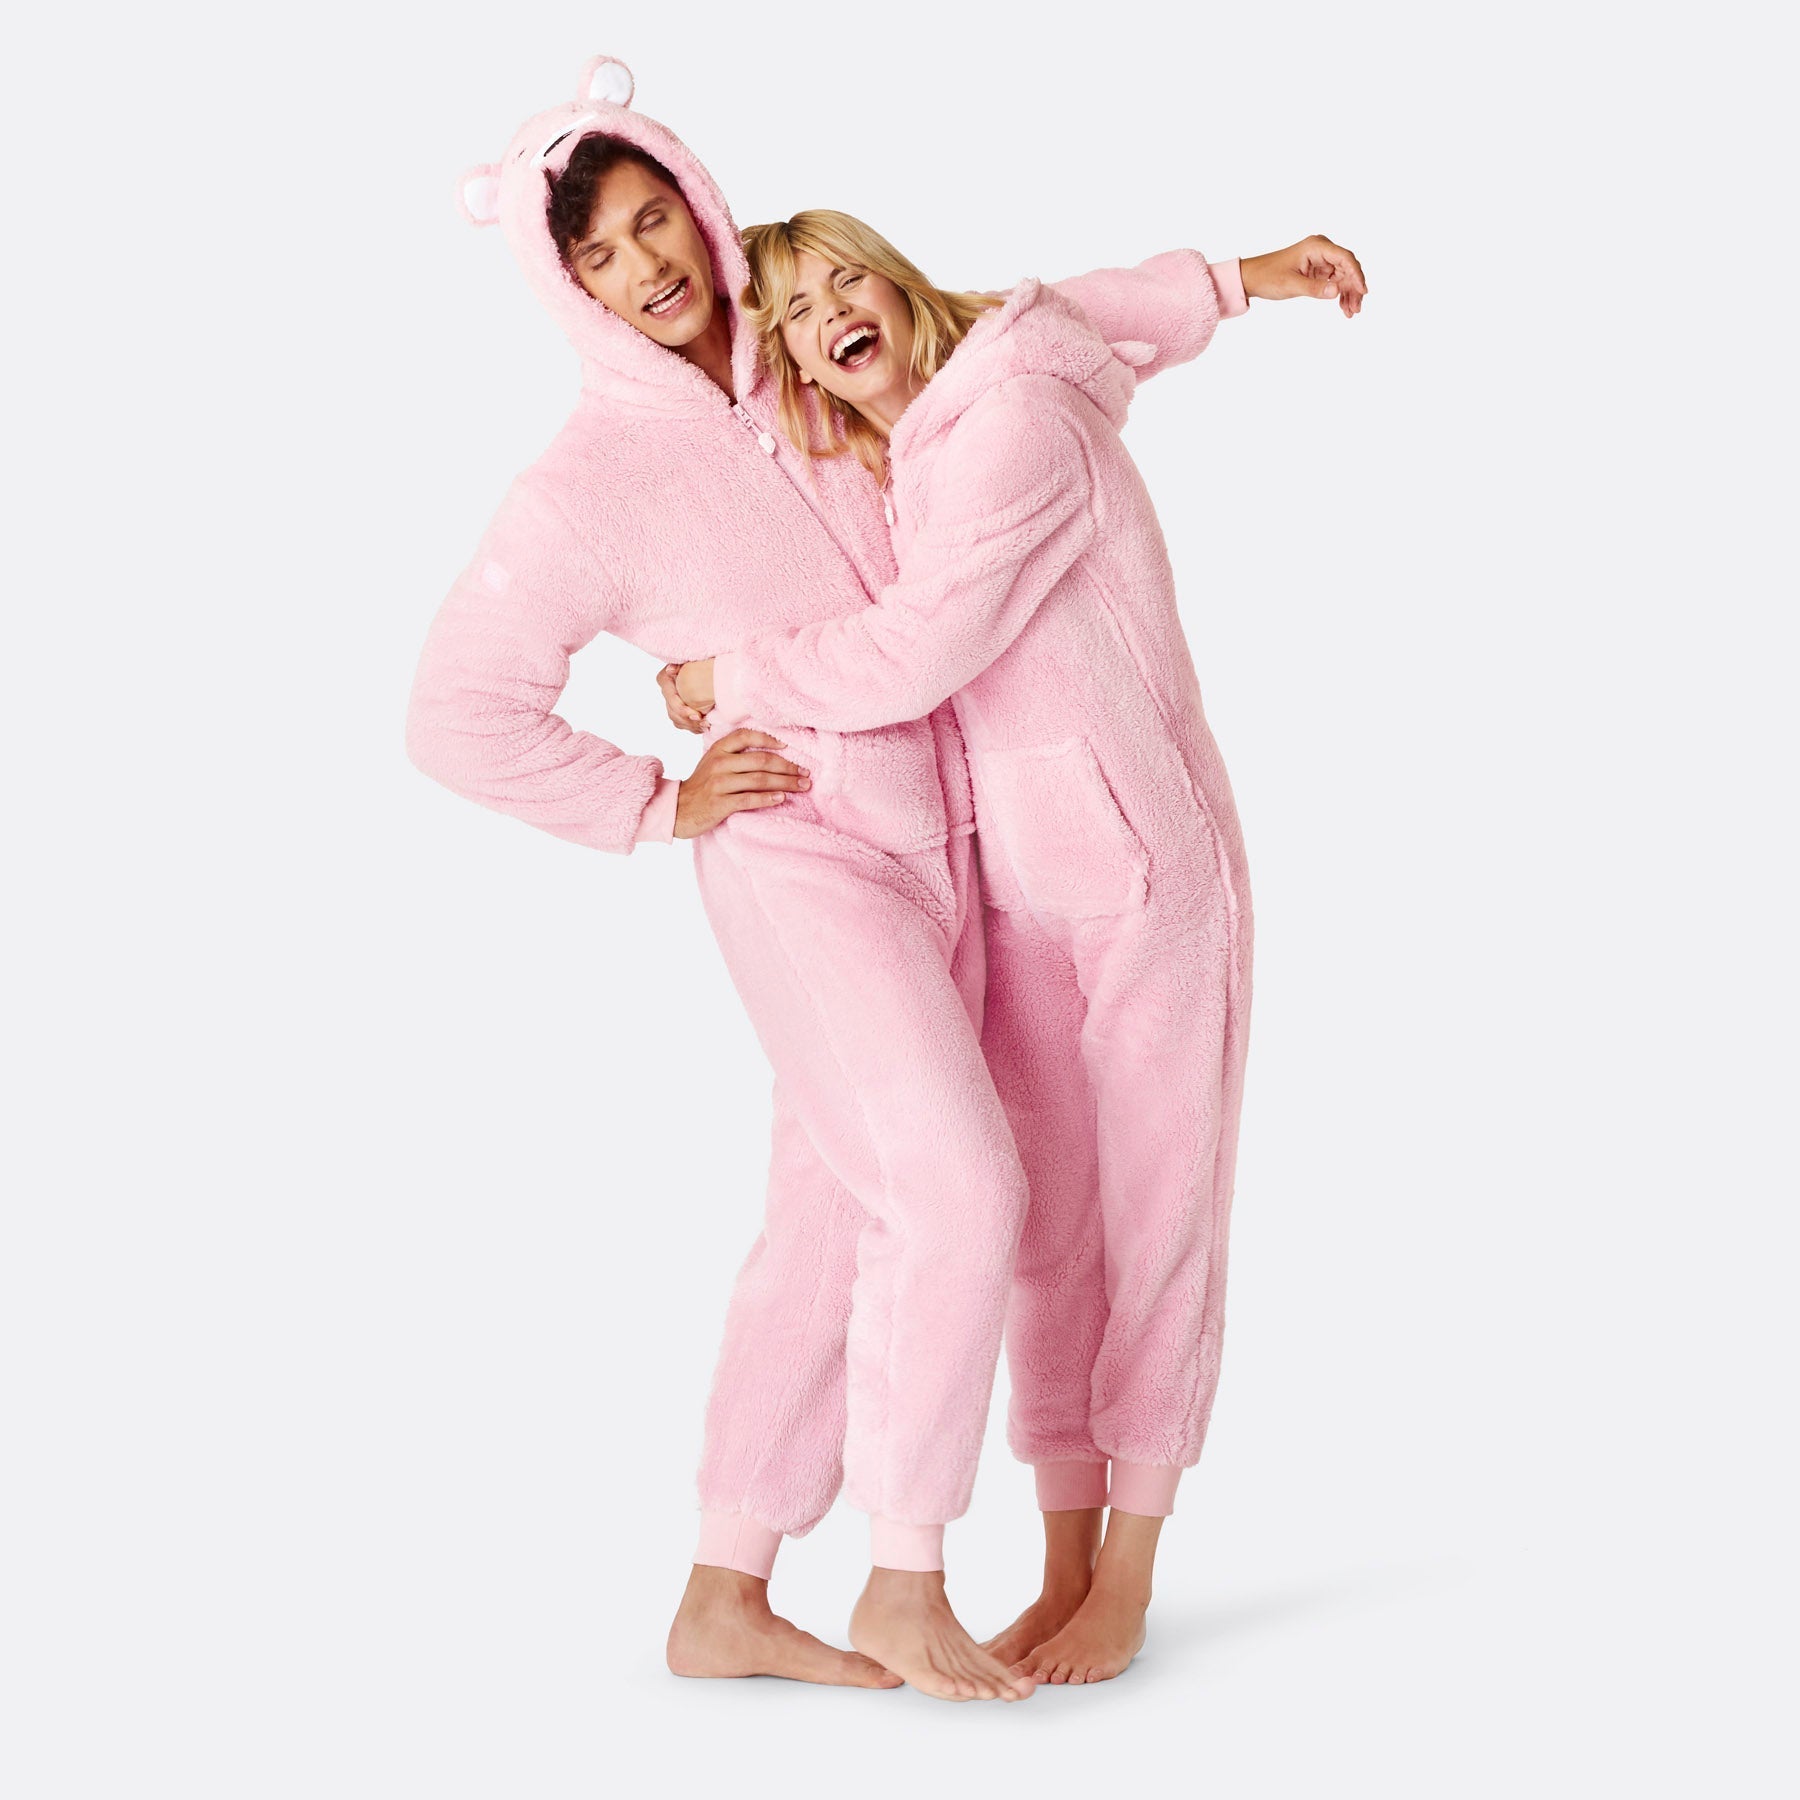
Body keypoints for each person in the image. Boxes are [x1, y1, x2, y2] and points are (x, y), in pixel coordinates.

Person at [670, 208, 1364, 1683]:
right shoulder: (930, 427)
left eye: (844, 279)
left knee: (1157, 1222)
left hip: (1151, 874)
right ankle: (1059, 1570)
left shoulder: (1015, 429)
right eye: (793, 315)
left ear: (898, 283)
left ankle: (1130, 1573)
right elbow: (1075, 303)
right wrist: (1230, 282)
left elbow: (917, 647)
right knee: (1049, 1235)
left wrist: (732, 674)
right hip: (1020, 884)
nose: (826, 316)